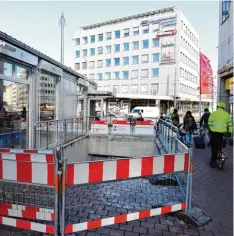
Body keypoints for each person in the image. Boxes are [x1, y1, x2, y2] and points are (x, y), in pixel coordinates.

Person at [208, 102, 233, 168]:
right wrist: (229, 132)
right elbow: (230, 124)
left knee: (214, 147)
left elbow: (209, 123)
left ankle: (213, 162)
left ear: (217, 106)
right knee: (221, 145)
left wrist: (211, 129)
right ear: (223, 107)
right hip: (223, 133)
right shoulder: (227, 114)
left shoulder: (213, 114)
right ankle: (220, 154)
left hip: (214, 133)